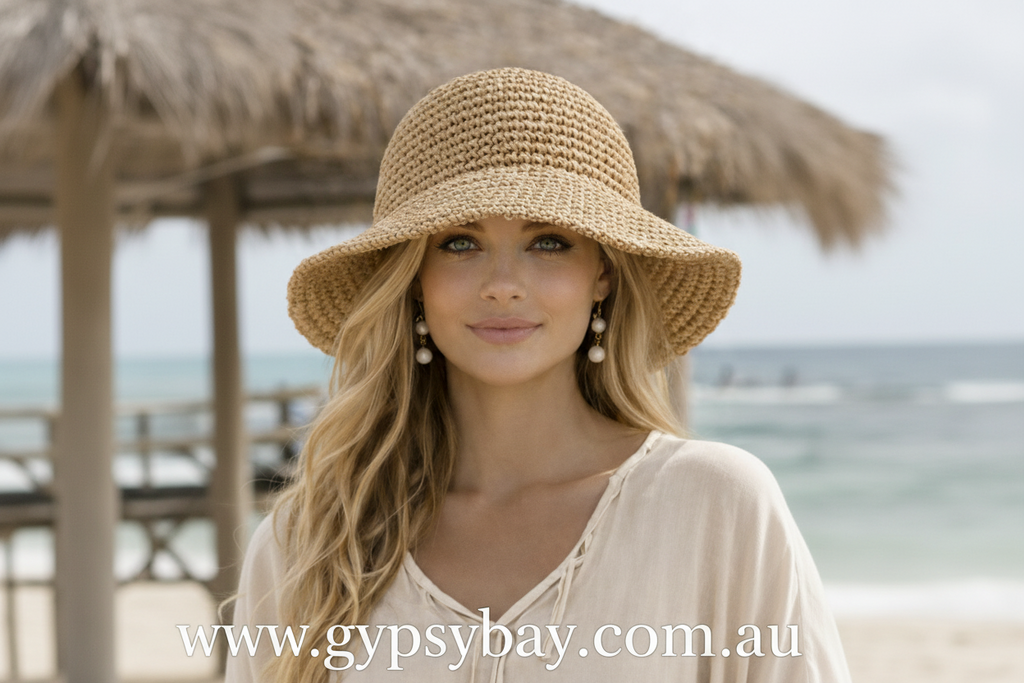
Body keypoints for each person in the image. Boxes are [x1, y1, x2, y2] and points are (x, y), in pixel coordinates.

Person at [226, 68, 851, 682]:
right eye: (459, 243)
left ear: (602, 273)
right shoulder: (308, 542)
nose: (503, 287)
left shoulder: (713, 503)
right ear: (414, 279)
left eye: (548, 241)